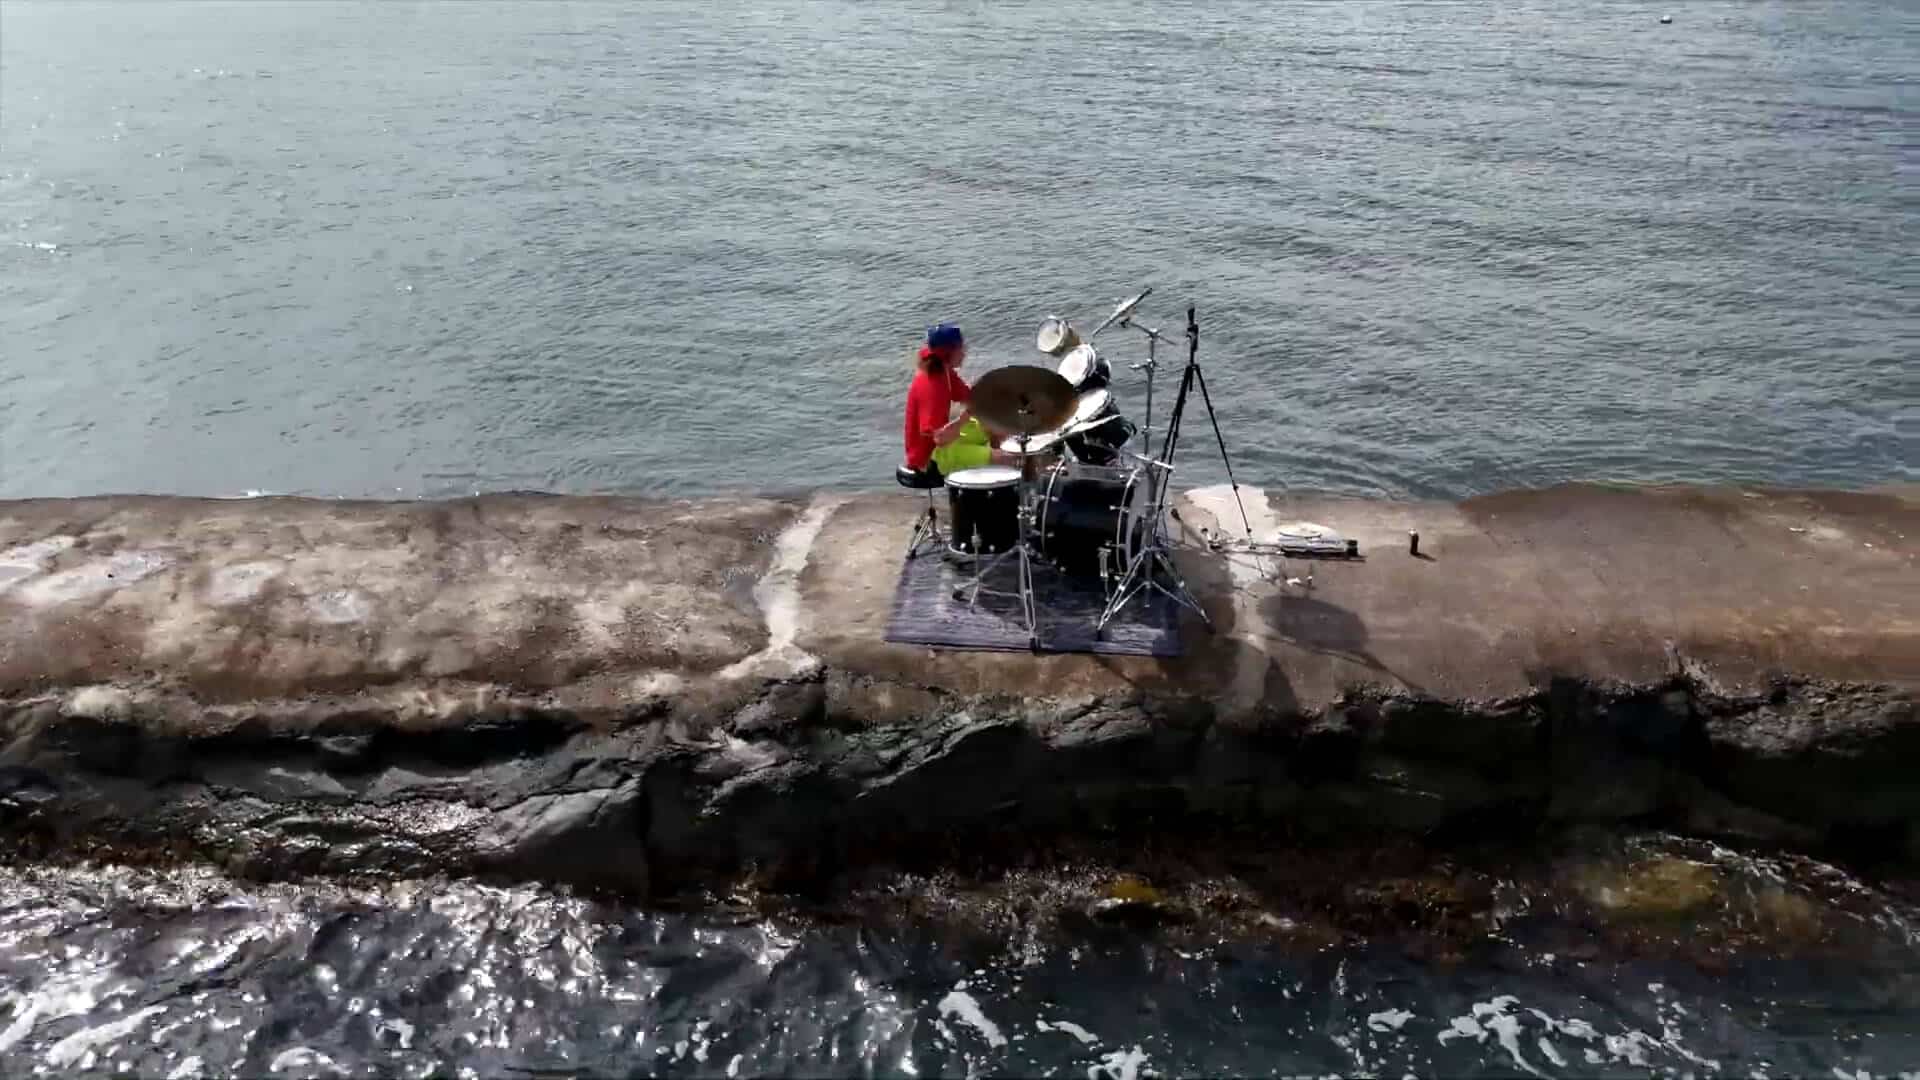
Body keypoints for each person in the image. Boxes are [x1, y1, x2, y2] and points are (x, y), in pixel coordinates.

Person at [901, 322, 1011, 478]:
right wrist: (965, 417)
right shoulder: (932, 386)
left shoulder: (944, 371)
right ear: (948, 353)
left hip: (944, 440)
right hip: (928, 458)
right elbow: (939, 438)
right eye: (961, 348)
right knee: (1004, 458)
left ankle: (989, 456)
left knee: (999, 428)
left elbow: (971, 399)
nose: (964, 353)